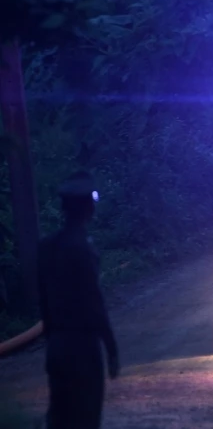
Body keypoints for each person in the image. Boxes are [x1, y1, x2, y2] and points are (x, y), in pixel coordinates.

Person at [37, 171, 119, 429]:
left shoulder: (47, 247)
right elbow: (94, 303)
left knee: (60, 416)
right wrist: (111, 348)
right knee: (86, 416)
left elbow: (43, 301)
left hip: (58, 346)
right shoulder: (83, 249)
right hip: (83, 347)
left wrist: (52, 341)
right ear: (87, 208)